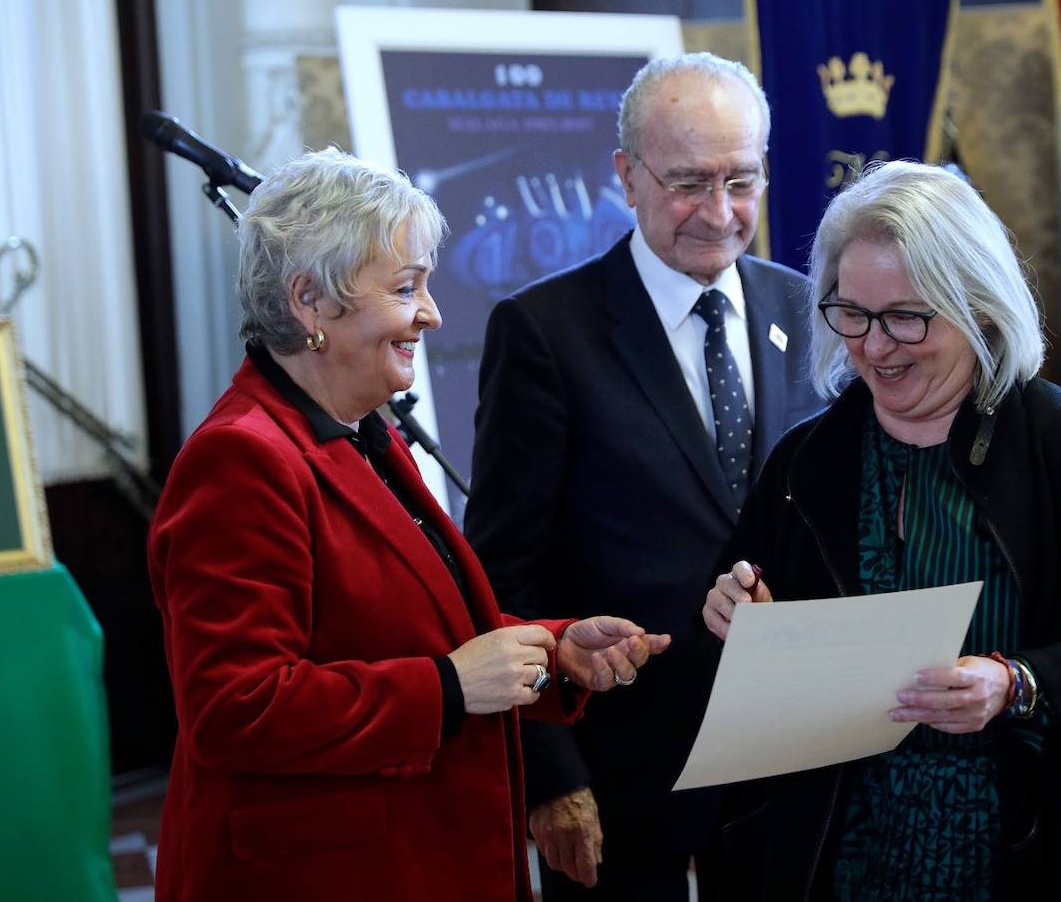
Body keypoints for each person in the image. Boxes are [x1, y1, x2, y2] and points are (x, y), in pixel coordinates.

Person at [146, 148, 669, 902]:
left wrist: (554, 650)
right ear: (308, 301)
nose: (432, 313)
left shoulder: (363, 430)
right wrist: (449, 687)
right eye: (404, 288)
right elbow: (237, 707)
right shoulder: (241, 458)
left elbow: (409, 625)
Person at [703, 160, 1061, 901]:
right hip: (847, 853)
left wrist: (1016, 684)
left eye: (907, 316)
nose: (873, 346)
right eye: (852, 313)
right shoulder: (810, 460)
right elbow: (764, 652)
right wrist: (737, 613)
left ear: (977, 305)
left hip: (1033, 849)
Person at [464, 52, 823, 901]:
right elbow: (502, 568)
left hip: (789, 754)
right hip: (621, 764)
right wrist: (550, 771)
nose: (720, 212)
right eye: (689, 181)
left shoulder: (807, 310)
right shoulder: (546, 332)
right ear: (626, 175)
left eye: (742, 180)